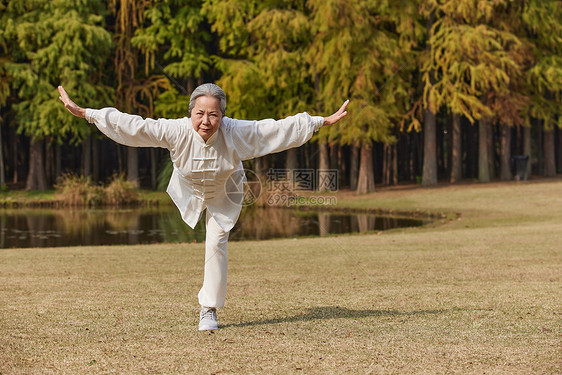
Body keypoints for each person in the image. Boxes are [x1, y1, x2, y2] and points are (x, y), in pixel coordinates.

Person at [58, 83, 348, 330]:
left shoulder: (236, 131)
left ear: (223, 115)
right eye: (200, 114)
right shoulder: (176, 130)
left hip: (226, 191)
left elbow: (272, 130)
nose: (206, 121)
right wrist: (88, 113)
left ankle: (208, 309)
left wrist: (317, 121)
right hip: (190, 189)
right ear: (191, 113)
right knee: (208, 238)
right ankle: (208, 305)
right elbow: (136, 126)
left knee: (216, 243)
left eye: (213, 114)